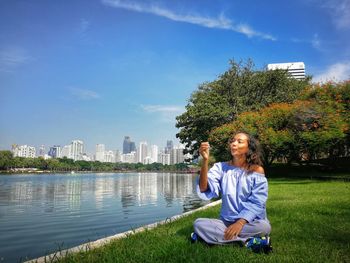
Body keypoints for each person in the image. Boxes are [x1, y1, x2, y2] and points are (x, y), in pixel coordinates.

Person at [192, 132, 272, 252]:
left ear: (249, 148)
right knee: (198, 223)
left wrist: (239, 223)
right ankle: (247, 242)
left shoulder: (257, 170)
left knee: (264, 227)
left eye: (239, 141)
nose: (234, 143)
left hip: (249, 222)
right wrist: (205, 161)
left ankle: (206, 238)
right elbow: (204, 188)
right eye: (233, 141)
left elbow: (257, 202)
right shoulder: (220, 167)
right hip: (226, 223)